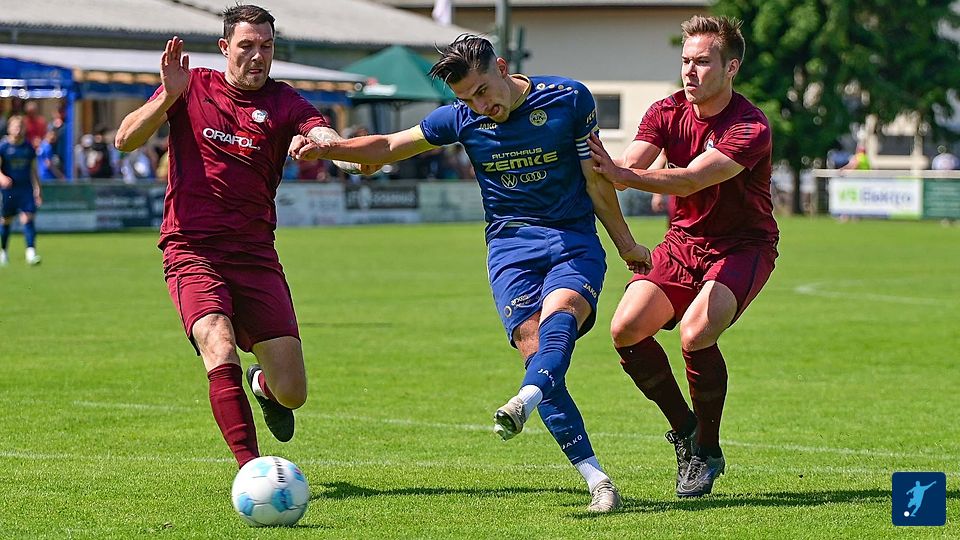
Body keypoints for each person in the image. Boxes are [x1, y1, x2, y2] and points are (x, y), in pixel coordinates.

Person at [291, 34, 652, 513]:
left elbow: (596, 182)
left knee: (561, 313)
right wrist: (329, 150)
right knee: (534, 347)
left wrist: (626, 244)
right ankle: (597, 479)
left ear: (502, 67)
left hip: (572, 238)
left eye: (483, 91)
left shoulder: (568, 98)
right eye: (467, 99)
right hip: (509, 248)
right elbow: (391, 144)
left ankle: (526, 399)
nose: (481, 106)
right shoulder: (461, 117)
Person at [114, 4, 368, 469]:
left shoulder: (284, 100)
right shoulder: (191, 86)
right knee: (217, 341)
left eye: (266, 46)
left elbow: (322, 134)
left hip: (254, 254)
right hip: (192, 247)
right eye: (247, 45)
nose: (257, 55)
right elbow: (125, 140)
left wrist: (338, 151)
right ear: (224, 47)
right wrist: (167, 96)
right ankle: (251, 469)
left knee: (292, 392)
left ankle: (262, 386)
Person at [587, 15, 779, 498]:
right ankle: (686, 432)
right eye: (685, 61)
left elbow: (693, 179)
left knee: (696, 334)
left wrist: (626, 177)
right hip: (682, 243)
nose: (690, 71)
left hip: (742, 245)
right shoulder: (665, 111)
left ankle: (708, 451)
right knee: (626, 329)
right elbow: (628, 165)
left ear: (731, 67)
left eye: (703, 62)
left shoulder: (750, 125)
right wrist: (590, 161)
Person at [0, 115, 43, 266]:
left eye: (20, 127)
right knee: (6, 220)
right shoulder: (3, 147)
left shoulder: (28, 147)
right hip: (9, 190)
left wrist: (38, 188)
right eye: (15, 127)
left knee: (28, 218)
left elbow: (34, 169)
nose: (18, 130)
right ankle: (4, 251)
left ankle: (31, 253)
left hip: (25, 188)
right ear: (9, 128)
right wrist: (2, 178)